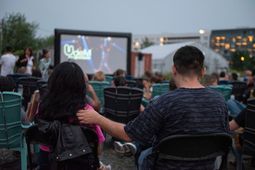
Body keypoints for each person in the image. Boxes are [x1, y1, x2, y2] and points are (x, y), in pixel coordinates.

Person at [77, 46, 230, 169]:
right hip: (207, 166)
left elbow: (127, 134)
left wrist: (97, 118)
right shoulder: (220, 102)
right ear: (203, 71)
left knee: (144, 153)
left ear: (174, 70)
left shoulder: (164, 102)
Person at [37, 62, 110, 170]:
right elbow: (98, 150)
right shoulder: (87, 112)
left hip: (47, 162)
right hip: (80, 163)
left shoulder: (43, 108)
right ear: (80, 85)